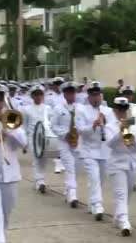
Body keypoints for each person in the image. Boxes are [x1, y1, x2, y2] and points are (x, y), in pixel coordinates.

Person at [75, 81, 117, 221]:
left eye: (98, 95)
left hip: (104, 151)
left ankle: (92, 203)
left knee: (100, 180)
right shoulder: (81, 110)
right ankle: (98, 206)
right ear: (88, 96)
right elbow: (80, 130)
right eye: (93, 95)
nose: (96, 98)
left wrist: (105, 125)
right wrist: (92, 125)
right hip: (88, 150)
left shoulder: (108, 111)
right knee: (94, 178)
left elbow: (113, 128)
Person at [105, 97, 136, 237]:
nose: (122, 112)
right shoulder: (110, 126)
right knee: (121, 193)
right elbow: (109, 143)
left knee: (128, 194)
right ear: (115, 111)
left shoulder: (134, 126)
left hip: (133, 162)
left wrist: (133, 142)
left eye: (124, 109)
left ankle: (118, 217)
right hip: (117, 163)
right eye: (119, 110)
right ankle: (125, 223)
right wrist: (120, 132)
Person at [0, 84, 27, 243]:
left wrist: (8, 129)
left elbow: (24, 142)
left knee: (5, 216)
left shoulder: (12, 117)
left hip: (10, 175)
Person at [50, 81, 83, 209]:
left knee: (76, 168)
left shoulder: (80, 108)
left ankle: (68, 189)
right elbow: (53, 126)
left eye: (73, 92)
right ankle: (73, 196)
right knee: (69, 167)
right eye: (68, 93)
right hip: (64, 142)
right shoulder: (58, 109)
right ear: (64, 94)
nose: (71, 95)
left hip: (78, 142)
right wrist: (65, 134)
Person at [21, 85, 54, 193]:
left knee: (43, 159)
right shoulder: (26, 109)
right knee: (36, 159)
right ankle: (40, 181)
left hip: (45, 137)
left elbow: (51, 123)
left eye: (40, 94)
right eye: (36, 94)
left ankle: (40, 178)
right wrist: (24, 142)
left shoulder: (48, 108)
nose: (38, 96)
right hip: (32, 137)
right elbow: (24, 126)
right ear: (32, 96)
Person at [46, 77, 67, 174]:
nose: (58, 86)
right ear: (53, 86)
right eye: (56, 84)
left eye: (60, 84)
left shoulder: (65, 96)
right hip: (55, 121)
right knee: (57, 144)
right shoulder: (50, 97)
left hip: (65, 121)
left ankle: (63, 161)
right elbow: (47, 110)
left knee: (65, 144)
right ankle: (58, 163)